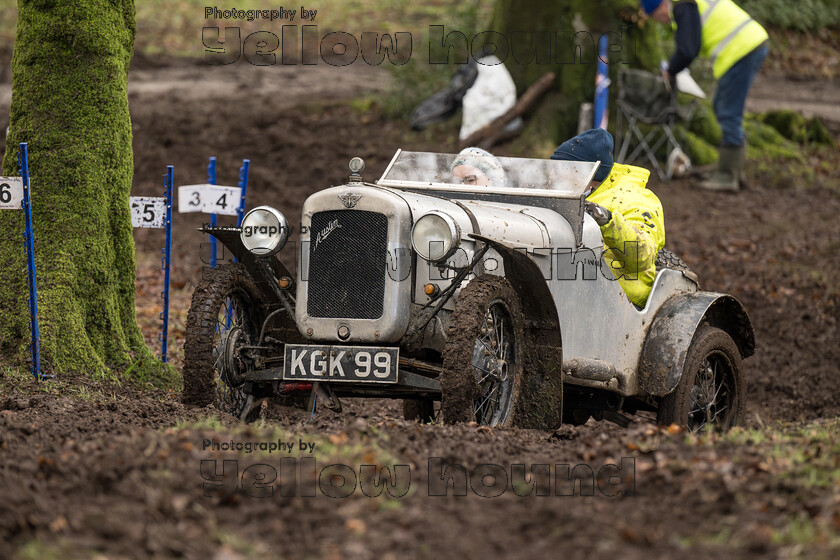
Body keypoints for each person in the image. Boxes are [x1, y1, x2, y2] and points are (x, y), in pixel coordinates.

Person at [642, 0, 769, 192]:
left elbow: (687, 50)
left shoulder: (683, 6)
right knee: (722, 106)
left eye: (656, 16)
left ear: (661, 5)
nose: (660, 21)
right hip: (748, 45)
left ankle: (728, 176)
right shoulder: (687, 4)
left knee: (728, 111)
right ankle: (733, 171)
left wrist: (670, 70)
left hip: (742, 49)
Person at [551, 128, 665, 307]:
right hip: (572, 287)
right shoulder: (567, 194)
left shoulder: (634, 199)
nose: (552, 175)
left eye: (561, 169)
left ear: (586, 173)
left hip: (622, 299)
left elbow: (642, 257)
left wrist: (608, 221)